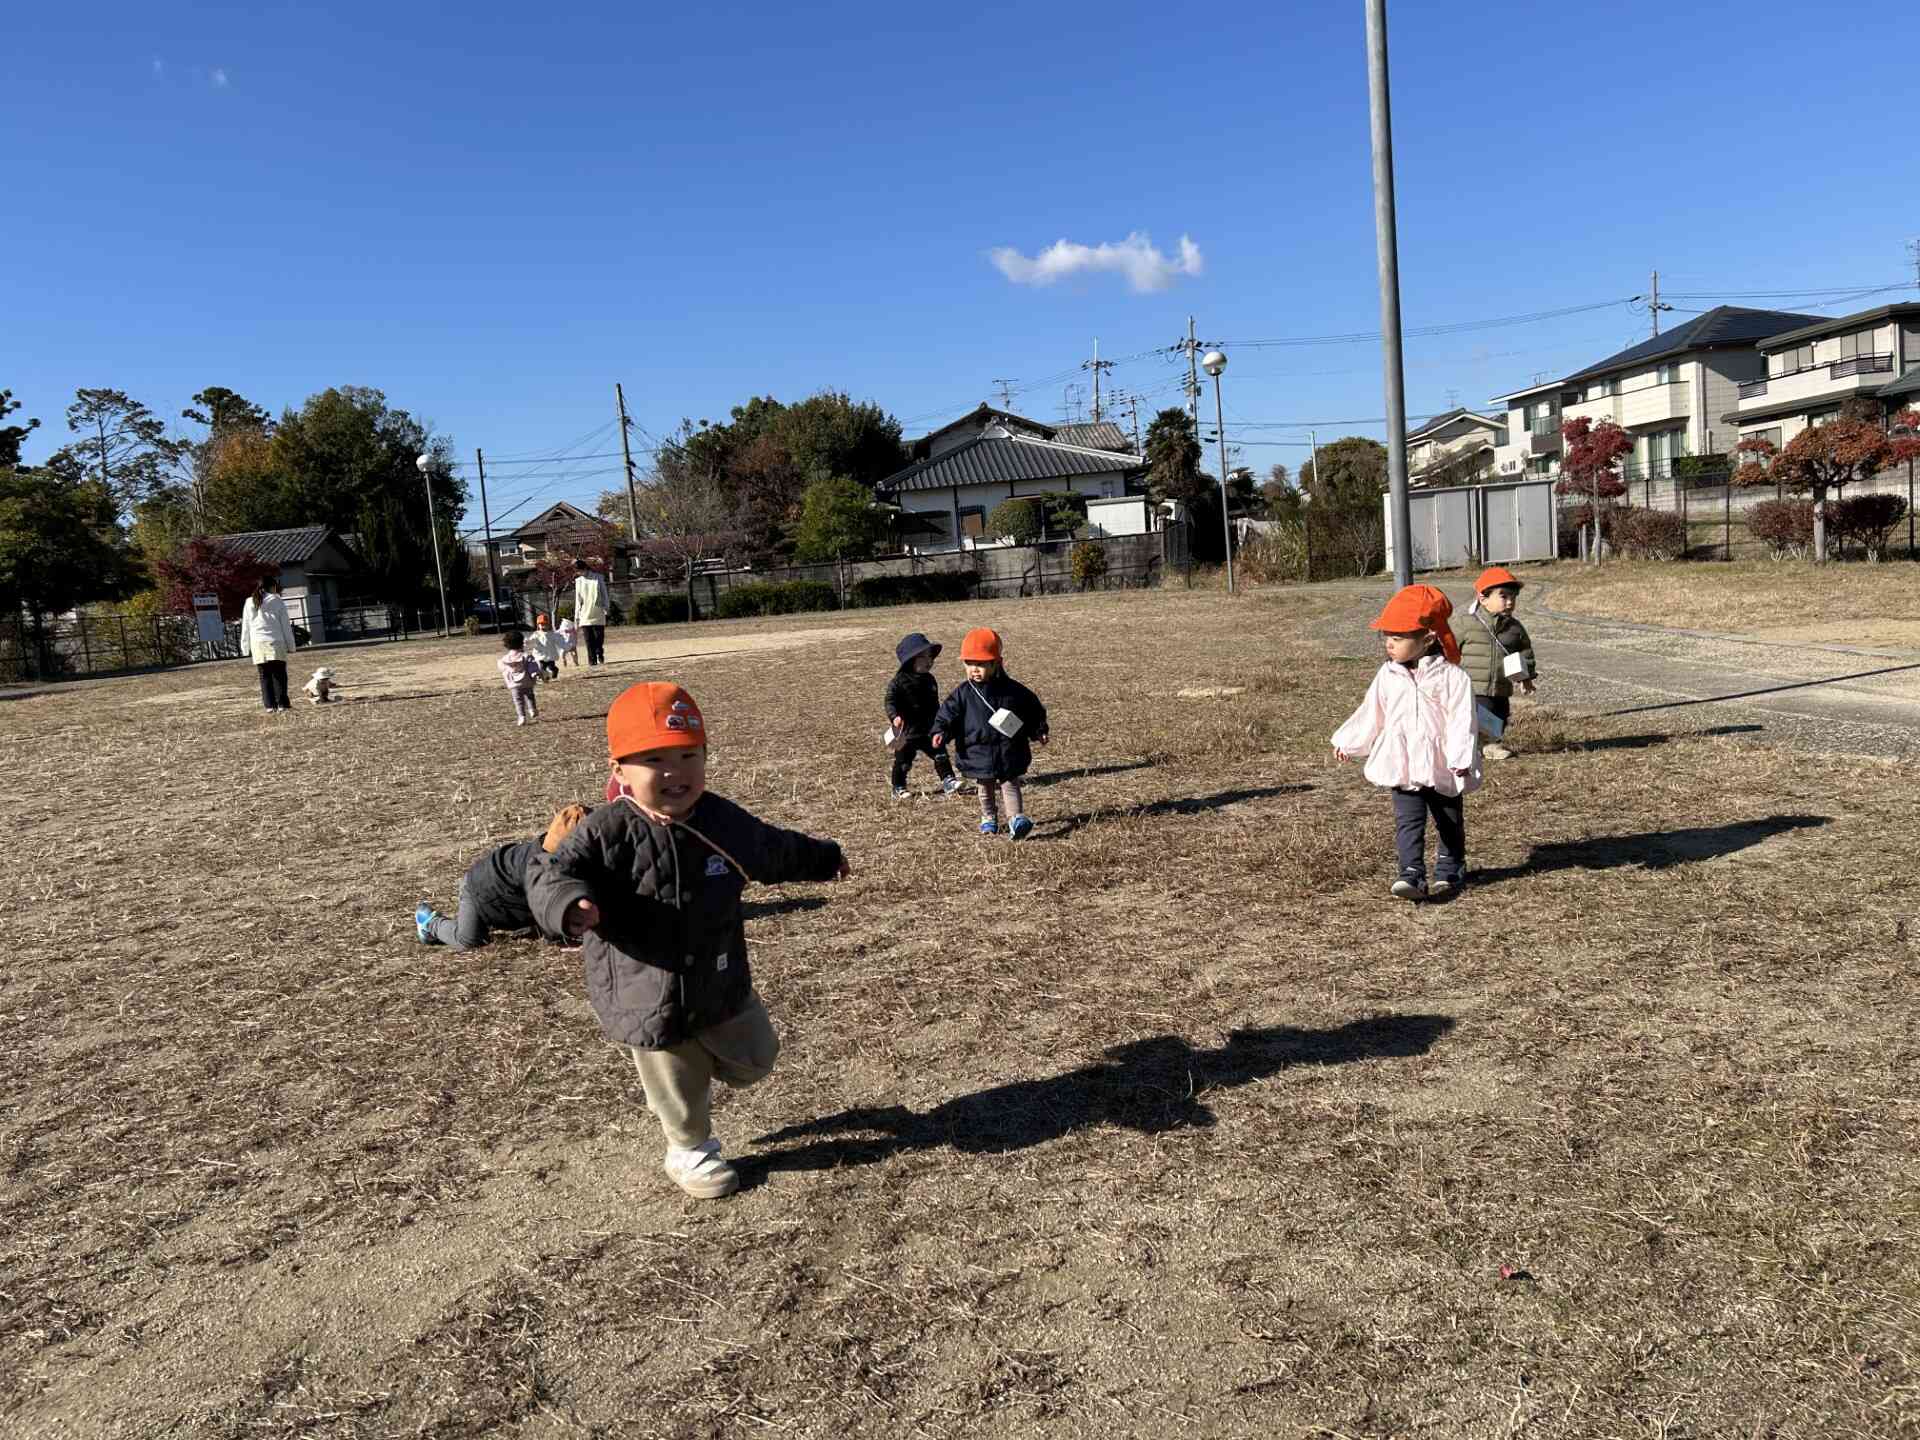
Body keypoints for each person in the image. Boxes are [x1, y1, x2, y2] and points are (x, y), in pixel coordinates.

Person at [530, 682, 849, 1200]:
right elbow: (548, 870)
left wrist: (824, 857)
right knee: (677, 1078)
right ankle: (690, 1149)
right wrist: (567, 906)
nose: (675, 772)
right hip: (645, 989)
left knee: (758, 1058)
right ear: (620, 771)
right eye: (654, 759)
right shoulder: (605, 831)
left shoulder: (722, 820)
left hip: (718, 974)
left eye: (687, 755)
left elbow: (772, 848)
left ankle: (697, 1072)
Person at [1331, 584, 1481, 902]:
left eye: (1398, 638)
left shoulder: (1453, 677)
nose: (1389, 644)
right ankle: (1411, 872)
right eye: (1387, 636)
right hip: (1403, 764)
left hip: (1443, 764)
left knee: (1448, 820)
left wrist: (1460, 757)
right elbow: (1372, 712)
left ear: (1427, 638)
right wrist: (1350, 741)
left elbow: (1462, 721)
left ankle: (1450, 866)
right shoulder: (1387, 675)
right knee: (1407, 820)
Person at [415, 804, 591, 950]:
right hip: (478, 891)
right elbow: (547, 909)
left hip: (505, 892)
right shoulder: (538, 868)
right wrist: (562, 936)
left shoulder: (556, 855)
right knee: (468, 941)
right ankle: (430, 923)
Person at [931, 627, 1049, 839]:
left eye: (981, 664)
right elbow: (947, 714)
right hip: (978, 750)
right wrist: (941, 731)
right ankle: (988, 818)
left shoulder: (1013, 690)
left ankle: (1016, 819)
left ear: (997, 663)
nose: (974, 669)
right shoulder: (962, 694)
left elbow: (1032, 709)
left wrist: (1039, 730)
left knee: (1010, 784)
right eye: (969, 663)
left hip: (1008, 749)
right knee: (985, 787)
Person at [1457, 566, 1539, 762]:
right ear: (1483, 598)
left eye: (1513, 597)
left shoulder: (1515, 628)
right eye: (1503, 596)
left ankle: (1488, 744)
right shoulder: (1465, 623)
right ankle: (1488, 745)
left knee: (1501, 712)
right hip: (1474, 684)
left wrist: (1526, 678)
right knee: (1482, 714)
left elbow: (1526, 652)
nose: (1510, 602)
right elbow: (1449, 647)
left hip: (1502, 683)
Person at [885, 632, 963, 800]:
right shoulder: (898, 682)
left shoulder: (930, 680)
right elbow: (890, 701)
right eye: (924, 657)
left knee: (940, 754)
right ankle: (898, 787)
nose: (930, 661)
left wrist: (941, 721)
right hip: (907, 731)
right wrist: (894, 716)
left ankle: (948, 780)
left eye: (931, 657)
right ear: (911, 659)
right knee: (903, 762)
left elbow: (935, 703)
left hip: (929, 728)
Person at [239, 578, 297, 713]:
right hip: (275, 641)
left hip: (257, 642)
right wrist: (291, 645)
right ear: (272, 587)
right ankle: (282, 703)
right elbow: (285, 626)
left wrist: (245, 647)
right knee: (279, 673)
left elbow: (246, 626)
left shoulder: (249, 602)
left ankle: (269, 705)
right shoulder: (277, 600)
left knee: (264, 675)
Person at [498, 628, 540, 726]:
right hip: (527, 681)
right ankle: (532, 709)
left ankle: (521, 717)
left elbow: (502, 668)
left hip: (514, 684)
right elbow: (532, 666)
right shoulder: (526, 656)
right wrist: (535, 673)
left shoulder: (505, 659)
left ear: (507, 645)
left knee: (518, 700)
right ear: (521, 643)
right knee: (530, 696)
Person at [573, 559, 610, 666]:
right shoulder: (578, 581)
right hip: (585, 613)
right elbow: (578, 600)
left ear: (584, 568)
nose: (579, 573)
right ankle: (592, 660)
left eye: (579, 571)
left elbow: (604, 594)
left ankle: (599, 652)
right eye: (577, 572)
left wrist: (606, 607)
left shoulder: (598, 577)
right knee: (588, 640)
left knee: (599, 638)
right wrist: (577, 616)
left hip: (598, 611)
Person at [528, 614, 565, 681]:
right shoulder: (536, 634)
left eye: (545, 624)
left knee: (552, 667)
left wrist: (564, 643)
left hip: (550, 656)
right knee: (542, 668)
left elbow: (559, 640)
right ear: (538, 625)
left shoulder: (552, 634)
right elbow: (531, 641)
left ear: (548, 625)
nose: (543, 626)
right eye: (541, 625)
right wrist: (527, 642)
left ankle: (554, 673)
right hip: (541, 656)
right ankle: (544, 678)